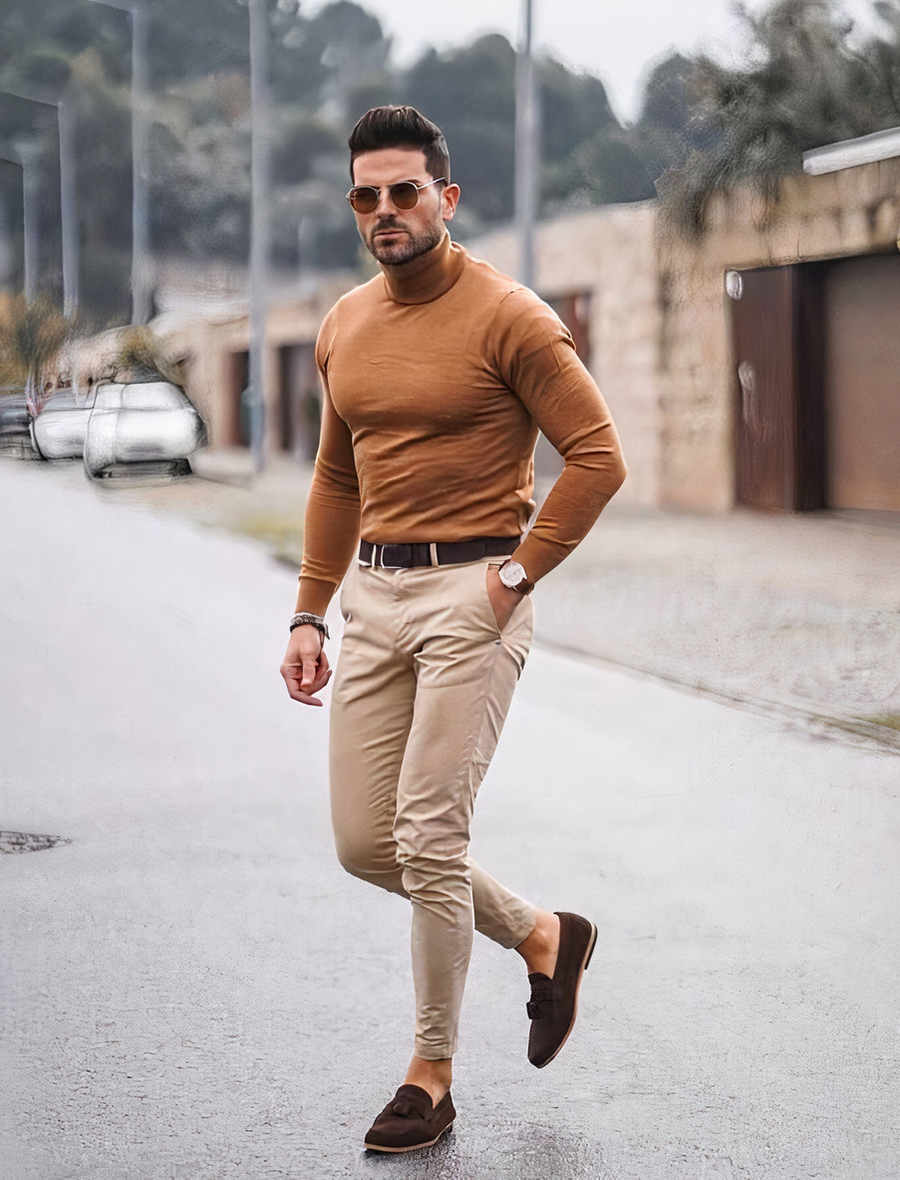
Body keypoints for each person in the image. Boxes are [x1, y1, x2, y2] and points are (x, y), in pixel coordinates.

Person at [280, 105, 627, 1153]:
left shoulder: (509, 316)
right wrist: (308, 607)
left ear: (447, 197)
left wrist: (515, 577)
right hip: (373, 600)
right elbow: (338, 477)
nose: (384, 211)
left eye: (404, 192)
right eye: (366, 197)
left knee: (429, 835)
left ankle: (429, 1073)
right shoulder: (345, 324)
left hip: (475, 592)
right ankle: (542, 933)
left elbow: (599, 456)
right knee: (363, 841)